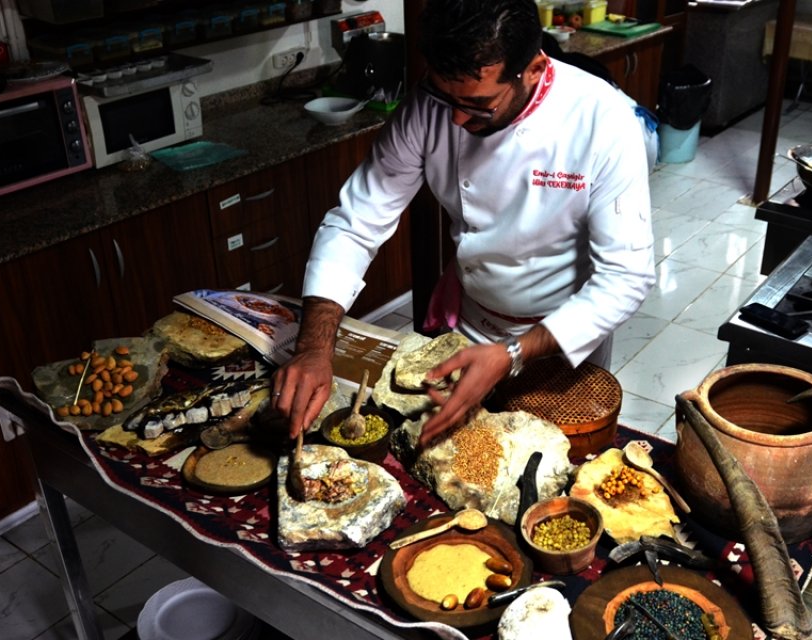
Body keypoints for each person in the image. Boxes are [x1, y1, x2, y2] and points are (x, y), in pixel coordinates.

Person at [272, 0, 655, 448]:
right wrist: (314, 348)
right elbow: (355, 222)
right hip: (473, 324)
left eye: (479, 104)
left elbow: (625, 277)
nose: (455, 118)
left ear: (533, 70)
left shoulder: (603, 120)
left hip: (565, 337)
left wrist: (513, 354)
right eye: (445, 97)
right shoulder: (427, 107)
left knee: (553, 457)